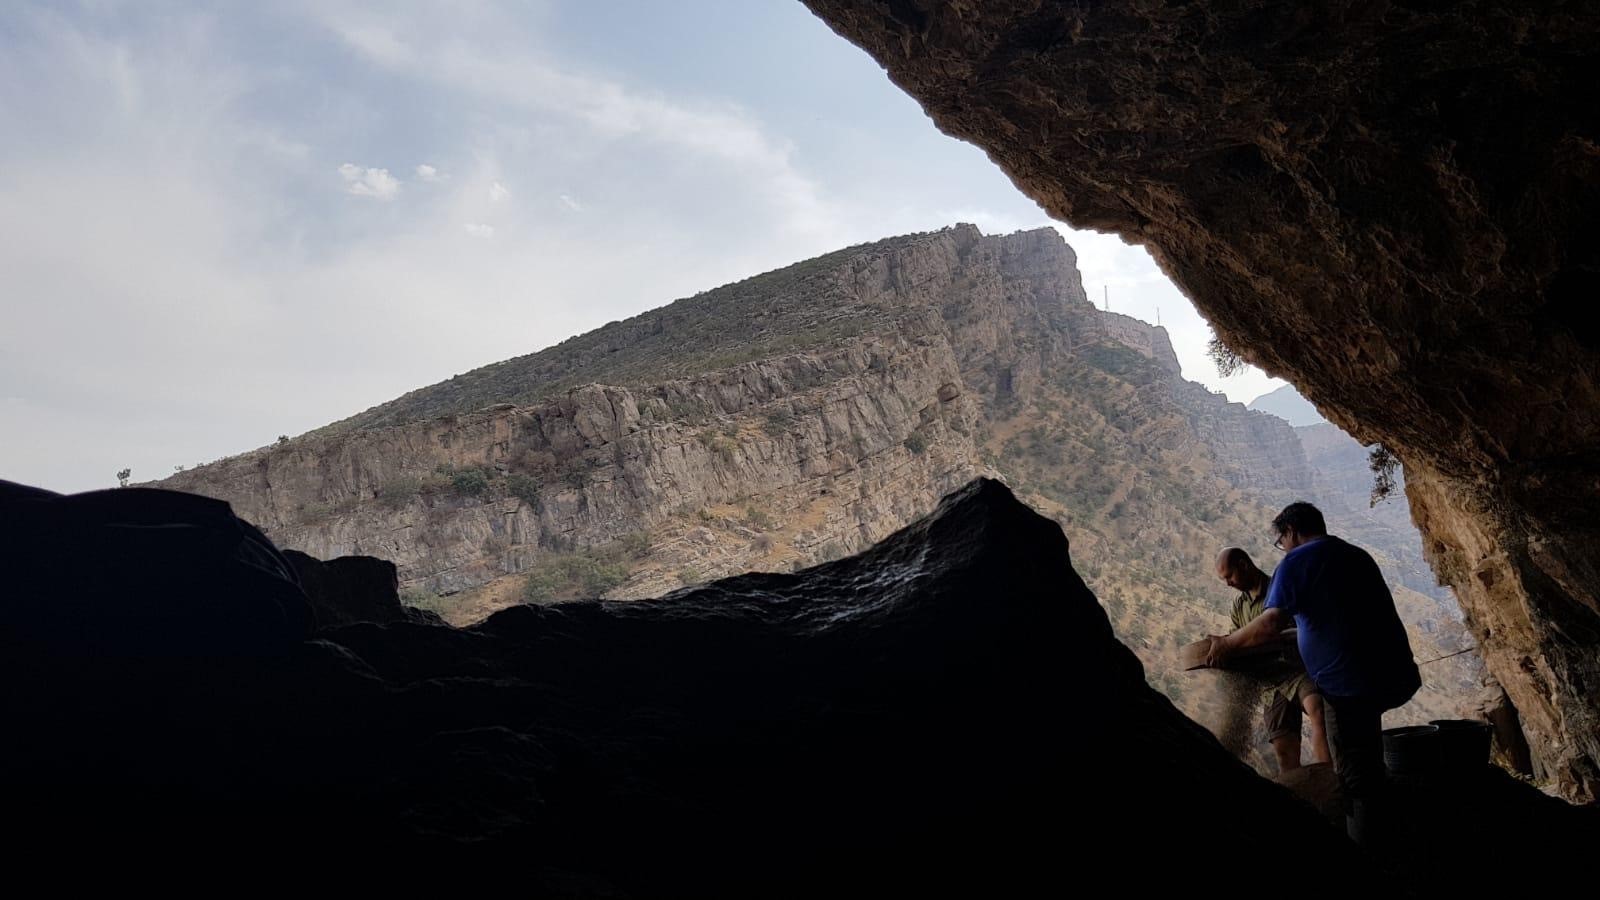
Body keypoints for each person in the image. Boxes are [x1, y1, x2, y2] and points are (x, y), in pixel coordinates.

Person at [1208, 503, 1420, 847]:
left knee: (1354, 777)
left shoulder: (1296, 561)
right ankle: (1387, 827)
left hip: (1346, 685)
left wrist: (1227, 644)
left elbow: (1271, 624)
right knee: (1367, 757)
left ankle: (1370, 850)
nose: (1284, 548)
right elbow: (1328, 618)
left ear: (1292, 531)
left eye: (1282, 540)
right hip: (1386, 674)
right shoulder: (1354, 555)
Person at [1214, 547, 1330, 773]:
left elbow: (1300, 629)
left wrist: (1270, 637)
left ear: (1244, 565)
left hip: (1296, 670)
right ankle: (1298, 794)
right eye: (1223, 579)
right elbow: (1238, 639)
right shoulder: (1239, 606)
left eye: (1229, 576)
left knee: (1317, 710)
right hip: (1270, 682)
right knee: (1284, 751)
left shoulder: (1278, 590)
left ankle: (1327, 779)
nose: (1228, 583)